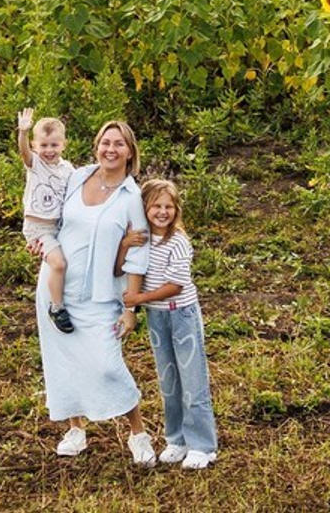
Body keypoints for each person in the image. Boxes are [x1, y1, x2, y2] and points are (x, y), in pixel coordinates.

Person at [34, 119, 157, 466]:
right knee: (63, 360)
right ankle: (75, 429)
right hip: (57, 289)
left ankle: (138, 433)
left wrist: (130, 308)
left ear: (130, 152)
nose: (110, 149)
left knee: (107, 365)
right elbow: (49, 215)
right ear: (96, 146)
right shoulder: (76, 177)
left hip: (101, 296)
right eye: (105, 142)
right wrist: (39, 241)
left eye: (118, 144)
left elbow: (138, 256)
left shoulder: (131, 197)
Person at [121, 178, 219, 471]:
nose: (162, 212)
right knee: (169, 380)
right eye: (156, 206)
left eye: (169, 206)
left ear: (176, 210)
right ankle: (177, 439)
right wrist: (125, 244)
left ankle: (203, 445)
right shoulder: (142, 239)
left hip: (181, 315)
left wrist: (138, 298)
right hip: (157, 316)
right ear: (144, 208)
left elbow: (176, 285)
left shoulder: (178, 241)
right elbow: (124, 266)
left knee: (192, 380)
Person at [16, 108, 74, 332]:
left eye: (54, 145)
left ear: (64, 145)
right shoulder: (35, 164)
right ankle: (56, 307)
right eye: (43, 145)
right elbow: (24, 153)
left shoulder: (67, 169)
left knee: (67, 262)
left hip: (56, 226)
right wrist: (23, 132)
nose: (49, 150)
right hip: (38, 228)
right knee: (59, 264)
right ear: (35, 145)